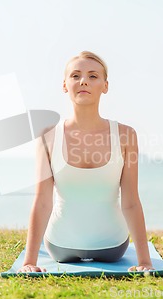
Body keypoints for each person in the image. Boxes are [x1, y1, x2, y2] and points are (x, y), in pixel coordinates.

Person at [17, 51, 154, 273]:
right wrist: (29, 262)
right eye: (75, 75)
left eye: (92, 76)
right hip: (61, 246)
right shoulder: (48, 137)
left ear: (105, 86)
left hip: (113, 246)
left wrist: (145, 262)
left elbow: (130, 201)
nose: (83, 81)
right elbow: (42, 202)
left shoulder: (126, 136)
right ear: (64, 85)